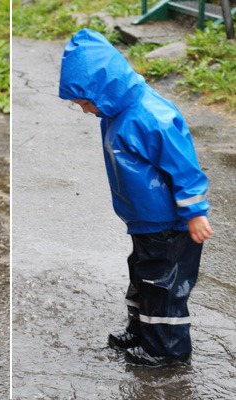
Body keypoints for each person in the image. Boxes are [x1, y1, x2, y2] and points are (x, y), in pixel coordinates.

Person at [59, 29, 214, 367]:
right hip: (146, 221)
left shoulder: (149, 116)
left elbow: (184, 167)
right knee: (143, 275)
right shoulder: (114, 112)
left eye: (85, 101)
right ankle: (142, 330)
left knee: (163, 285)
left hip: (171, 223)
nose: (85, 110)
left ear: (104, 87)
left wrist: (196, 212)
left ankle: (167, 348)